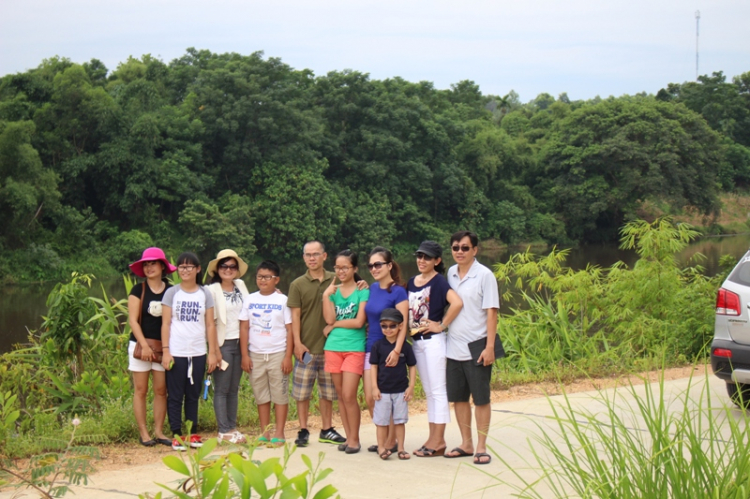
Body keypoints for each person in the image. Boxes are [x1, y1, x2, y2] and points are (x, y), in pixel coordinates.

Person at [444, 231, 500, 465]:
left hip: (477, 346)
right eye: (456, 248)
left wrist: (489, 347)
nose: (460, 252)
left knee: (481, 398)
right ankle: (466, 443)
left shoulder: (485, 275)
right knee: (458, 399)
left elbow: (492, 312)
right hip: (453, 346)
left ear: (475, 250)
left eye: (465, 248)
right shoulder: (450, 273)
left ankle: (481, 446)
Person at [407, 240, 463, 458]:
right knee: (429, 392)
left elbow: (456, 303)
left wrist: (441, 324)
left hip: (434, 342)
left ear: (437, 261)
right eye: (419, 256)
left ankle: (439, 440)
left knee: (438, 391)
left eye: (427, 257)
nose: (422, 260)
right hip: (417, 342)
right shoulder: (412, 282)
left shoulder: (439, 282)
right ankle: (433, 438)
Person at [288, 241, 346, 447]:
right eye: (308, 255)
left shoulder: (337, 279)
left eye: (316, 254)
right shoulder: (297, 284)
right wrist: (297, 343)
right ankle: (303, 429)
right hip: (307, 347)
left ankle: (326, 429)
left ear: (324, 256)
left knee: (327, 392)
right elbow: (295, 317)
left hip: (332, 347)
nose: (311, 258)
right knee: (302, 392)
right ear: (304, 257)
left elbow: (351, 303)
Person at [161, 252, 220, 451]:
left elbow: (210, 325)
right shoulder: (172, 293)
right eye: (181, 267)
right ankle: (177, 434)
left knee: (193, 395)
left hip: (197, 352)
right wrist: (166, 351)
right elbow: (166, 323)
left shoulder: (205, 294)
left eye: (189, 266)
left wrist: (212, 352)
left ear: (198, 269)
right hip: (176, 352)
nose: (185, 270)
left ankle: (192, 432)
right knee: (176, 395)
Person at [239, 260, 293, 445]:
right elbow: (244, 327)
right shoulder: (250, 299)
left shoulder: (283, 300)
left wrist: (288, 356)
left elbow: (290, 329)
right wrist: (245, 355)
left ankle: (279, 432)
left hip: (278, 353)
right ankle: (265, 432)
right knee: (261, 395)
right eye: (260, 277)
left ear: (276, 279)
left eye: (267, 277)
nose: (263, 280)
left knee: (279, 394)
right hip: (256, 354)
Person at [127, 247, 177, 447]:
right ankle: (144, 432)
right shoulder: (138, 290)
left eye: (153, 263)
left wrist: (167, 349)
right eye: (145, 264)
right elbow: (132, 320)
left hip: (164, 347)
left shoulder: (171, 290)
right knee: (140, 389)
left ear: (162, 266)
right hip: (140, 346)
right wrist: (144, 345)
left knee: (160, 390)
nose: (149, 268)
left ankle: (159, 430)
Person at [322, 249, 369, 454]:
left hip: (354, 348)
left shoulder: (362, 290)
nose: (341, 271)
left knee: (350, 395)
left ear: (354, 268)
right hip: (333, 347)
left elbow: (360, 321)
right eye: (337, 267)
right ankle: (349, 438)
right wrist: (325, 296)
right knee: (341, 396)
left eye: (345, 267)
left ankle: (355, 439)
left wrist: (335, 325)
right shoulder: (332, 292)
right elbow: (329, 320)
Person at [363, 246, 408, 453]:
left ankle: (390, 441)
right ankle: (385, 437)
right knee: (372, 396)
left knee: (389, 396)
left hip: (390, 350)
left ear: (389, 265)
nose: (374, 268)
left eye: (378, 264)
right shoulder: (371, 288)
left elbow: (403, 324)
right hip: (372, 349)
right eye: (371, 265)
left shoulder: (398, 291)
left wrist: (397, 351)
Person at [206, 249, 250, 444]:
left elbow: (251, 307)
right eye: (224, 266)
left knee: (234, 388)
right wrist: (213, 351)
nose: (228, 270)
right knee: (222, 388)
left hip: (241, 343)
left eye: (232, 266)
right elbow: (210, 323)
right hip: (223, 344)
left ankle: (231, 427)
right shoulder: (211, 290)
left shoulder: (240, 285)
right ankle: (223, 430)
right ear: (217, 269)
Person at [369, 308, 416, 461]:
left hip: (401, 390)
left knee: (400, 421)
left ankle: (401, 448)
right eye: (384, 326)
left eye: (392, 326)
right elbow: (374, 367)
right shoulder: (377, 346)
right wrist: (374, 387)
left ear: (400, 326)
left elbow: (412, 366)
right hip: (382, 391)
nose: (388, 329)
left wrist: (411, 386)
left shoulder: (405, 347)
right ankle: (382, 448)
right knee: (381, 421)